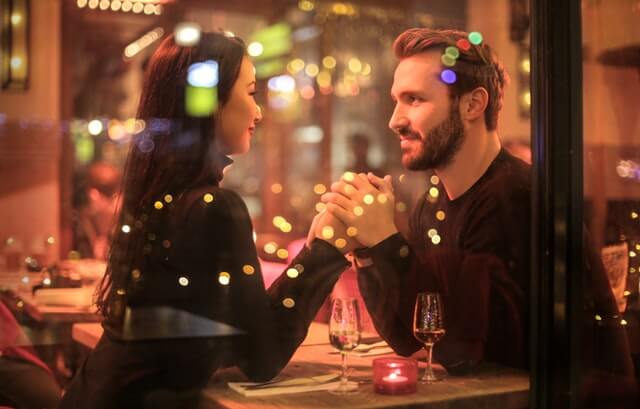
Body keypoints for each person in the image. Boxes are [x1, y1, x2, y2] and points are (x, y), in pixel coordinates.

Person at [59, 31, 354, 409]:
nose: (259, 111)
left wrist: (316, 249)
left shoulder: (160, 198)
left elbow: (235, 339)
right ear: (212, 104)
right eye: (250, 93)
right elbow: (260, 358)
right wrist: (327, 249)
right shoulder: (213, 208)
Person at [319, 28, 531, 372]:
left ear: (472, 104)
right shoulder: (431, 206)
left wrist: (385, 241)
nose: (395, 121)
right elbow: (411, 338)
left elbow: (465, 352)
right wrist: (367, 251)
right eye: (396, 100)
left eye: (414, 99)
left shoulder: (513, 197)